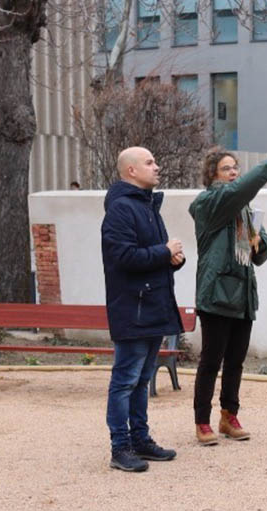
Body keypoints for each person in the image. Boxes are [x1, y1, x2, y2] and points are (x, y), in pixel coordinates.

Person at [190, 135, 267, 445]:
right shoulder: (209, 204)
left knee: (235, 360)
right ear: (212, 175)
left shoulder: (244, 213)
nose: (234, 172)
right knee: (211, 360)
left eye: (236, 167)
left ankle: (228, 416)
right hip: (217, 295)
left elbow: (260, 255)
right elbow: (237, 192)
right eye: (226, 168)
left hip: (243, 296)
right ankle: (202, 422)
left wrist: (258, 239)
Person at [101, 147, 186, 471]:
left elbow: (149, 257)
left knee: (142, 379)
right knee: (125, 381)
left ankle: (140, 440)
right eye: (149, 163)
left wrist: (172, 259)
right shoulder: (121, 210)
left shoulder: (148, 207)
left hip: (152, 307)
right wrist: (163, 251)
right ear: (131, 171)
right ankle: (120, 448)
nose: (157, 166)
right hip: (133, 310)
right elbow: (123, 257)